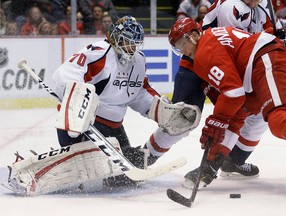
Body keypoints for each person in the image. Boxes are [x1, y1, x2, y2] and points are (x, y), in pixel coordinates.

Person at [51, 16, 201, 185]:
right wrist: (77, 100)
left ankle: (106, 173)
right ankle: (74, 166)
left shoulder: (138, 60)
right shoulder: (100, 52)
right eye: (128, 42)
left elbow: (139, 93)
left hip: (113, 128)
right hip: (82, 126)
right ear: (116, 37)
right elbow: (65, 73)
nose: (132, 48)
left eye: (135, 43)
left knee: (129, 173)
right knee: (96, 177)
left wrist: (162, 110)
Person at [173, 0, 286, 189]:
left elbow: (233, 93)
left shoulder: (206, 49)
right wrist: (210, 161)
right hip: (255, 69)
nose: (182, 51)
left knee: (278, 119)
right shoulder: (212, 47)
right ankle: (209, 168)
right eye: (178, 48)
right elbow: (235, 107)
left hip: (266, 58)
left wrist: (217, 120)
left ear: (194, 36)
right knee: (241, 115)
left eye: (182, 44)